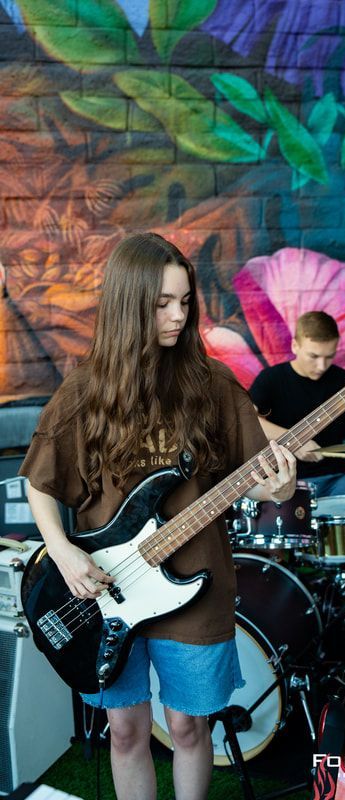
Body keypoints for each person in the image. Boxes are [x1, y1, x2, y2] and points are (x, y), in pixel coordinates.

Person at [19, 233, 296, 800]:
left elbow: (254, 474)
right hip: (106, 587)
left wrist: (279, 485)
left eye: (185, 301)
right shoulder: (85, 391)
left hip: (198, 583)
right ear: (129, 304)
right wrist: (63, 552)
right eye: (162, 303)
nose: (178, 316)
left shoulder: (212, 384)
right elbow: (39, 483)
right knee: (125, 731)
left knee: (190, 727)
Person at [249, 311, 345, 499]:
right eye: (313, 356)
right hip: (286, 481)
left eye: (329, 356)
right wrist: (294, 441)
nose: (322, 366)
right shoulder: (270, 378)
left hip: (336, 476)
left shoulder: (343, 380)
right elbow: (248, 422)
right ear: (295, 346)